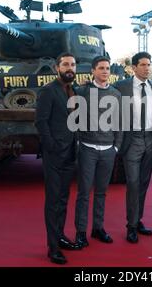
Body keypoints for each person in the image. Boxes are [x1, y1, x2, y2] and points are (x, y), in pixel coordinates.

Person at [35, 52, 81, 265]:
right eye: (65, 64)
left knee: (63, 199)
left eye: (72, 64)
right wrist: (51, 147)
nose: (69, 67)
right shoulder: (48, 91)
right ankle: (53, 248)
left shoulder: (74, 90)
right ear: (57, 68)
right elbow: (41, 123)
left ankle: (60, 236)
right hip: (55, 155)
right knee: (53, 201)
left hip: (71, 152)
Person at [74, 56, 123, 248]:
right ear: (93, 71)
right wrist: (78, 142)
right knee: (84, 193)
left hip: (108, 150)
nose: (105, 71)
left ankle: (98, 228)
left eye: (107, 68)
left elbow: (120, 122)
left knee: (101, 193)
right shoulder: (82, 91)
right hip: (87, 149)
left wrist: (116, 146)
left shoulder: (116, 94)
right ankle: (80, 232)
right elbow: (73, 117)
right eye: (101, 68)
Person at [113, 52, 152, 243]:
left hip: (150, 138)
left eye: (149, 64)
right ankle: (130, 226)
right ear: (134, 68)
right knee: (132, 183)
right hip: (132, 139)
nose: (147, 68)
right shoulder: (121, 86)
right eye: (143, 65)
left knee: (144, 183)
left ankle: (138, 220)